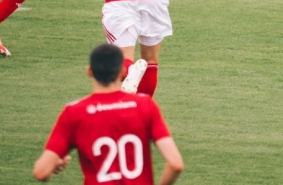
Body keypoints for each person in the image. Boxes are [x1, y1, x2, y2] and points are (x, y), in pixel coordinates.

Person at [33, 43, 184, 184]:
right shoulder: (146, 106)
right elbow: (175, 164)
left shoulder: (74, 113)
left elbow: (41, 172)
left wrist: (54, 164)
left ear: (89, 71)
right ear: (123, 72)